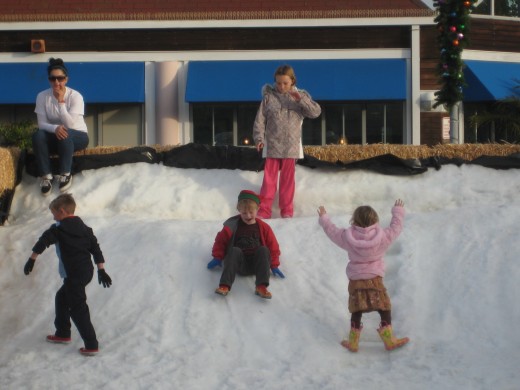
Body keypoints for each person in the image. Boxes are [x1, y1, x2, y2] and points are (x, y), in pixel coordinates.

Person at [23, 193, 112, 356]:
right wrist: (101, 270)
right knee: (62, 298)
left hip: (73, 275)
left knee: (78, 308)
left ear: (62, 211)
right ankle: (63, 333)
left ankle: (92, 345)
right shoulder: (85, 228)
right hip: (86, 272)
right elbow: (95, 248)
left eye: (54, 214)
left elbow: (43, 241)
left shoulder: (58, 229)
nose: (53, 218)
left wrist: (32, 259)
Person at [317, 199, 409, 352]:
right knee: (383, 306)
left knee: (356, 308)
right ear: (375, 220)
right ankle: (389, 338)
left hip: (356, 278)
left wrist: (324, 218)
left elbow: (332, 232)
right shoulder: (383, 237)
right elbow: (396, 228)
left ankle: (353, 341)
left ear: (354, 220)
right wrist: (398, 211)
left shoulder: (347, 237)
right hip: (375, 277)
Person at [253, 64, 321, 219]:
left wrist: (301, 100)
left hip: (291, 147)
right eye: (278, 83)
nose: (281, 86)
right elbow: (259, 120)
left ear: (292, 81)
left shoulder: (300, 97)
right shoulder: (269, 98)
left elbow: (315, 112)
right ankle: (264, 209)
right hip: (272, 145)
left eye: (285, 83)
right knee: (269, 180)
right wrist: (258, 138)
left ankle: (287, 210)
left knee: (287, 181)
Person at [207, 190, 285, 299]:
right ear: (238, 210)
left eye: (251, 212)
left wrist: (274, 264)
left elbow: (273, 246)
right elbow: (221, 241)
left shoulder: (264, 227)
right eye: (244, 213)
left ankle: (261, 286)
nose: (248, 215)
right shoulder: (232, 226)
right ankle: (224, 286)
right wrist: (217, 257)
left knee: (263, 249)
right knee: (234, 250)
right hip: (239, 264)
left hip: (257, 265)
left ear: (257, 209)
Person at [33, 58, 89, 196]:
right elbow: (41, 124)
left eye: (60, 78)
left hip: (77, 135)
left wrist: (61, 102)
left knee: (66, 132)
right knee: (38, 135)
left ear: (66, 79)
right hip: (56, 136)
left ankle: (65, 173)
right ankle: (46, 176)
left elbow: (70, 124)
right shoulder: (42, 96)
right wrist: (55, 129)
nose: (56, 82)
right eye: (53, 79)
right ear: (49, 80)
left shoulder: (75, 96)